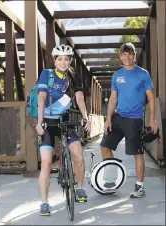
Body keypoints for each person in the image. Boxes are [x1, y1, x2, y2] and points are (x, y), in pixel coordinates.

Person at [36, 44, 91, 216]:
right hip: (48, 123)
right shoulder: (47, 74)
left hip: (65, 121)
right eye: (59, 59)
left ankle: (79, 188)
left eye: (66, 59)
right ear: (55, 60)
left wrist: (85, 116)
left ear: (70, 61)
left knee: (79, 156)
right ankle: (44, 202)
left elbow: (80, 97)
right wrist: (39, 122)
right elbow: (41, 97)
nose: (63, 62)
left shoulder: (74, 76)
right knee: (46, 162)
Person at [100, 43, 157, 198]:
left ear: (134, 55)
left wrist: (152, 118)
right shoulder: (117, 75)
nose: (127, 57)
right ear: (120, 56)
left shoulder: (143, 74)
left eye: (130, 54)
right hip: (118, 117)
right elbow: (113, 98)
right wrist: (108, 119)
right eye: (124, 54)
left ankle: (140, 187)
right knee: (105, 146)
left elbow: (151, 98)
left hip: (135, 119)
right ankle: (112, 179)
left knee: (137, 153)